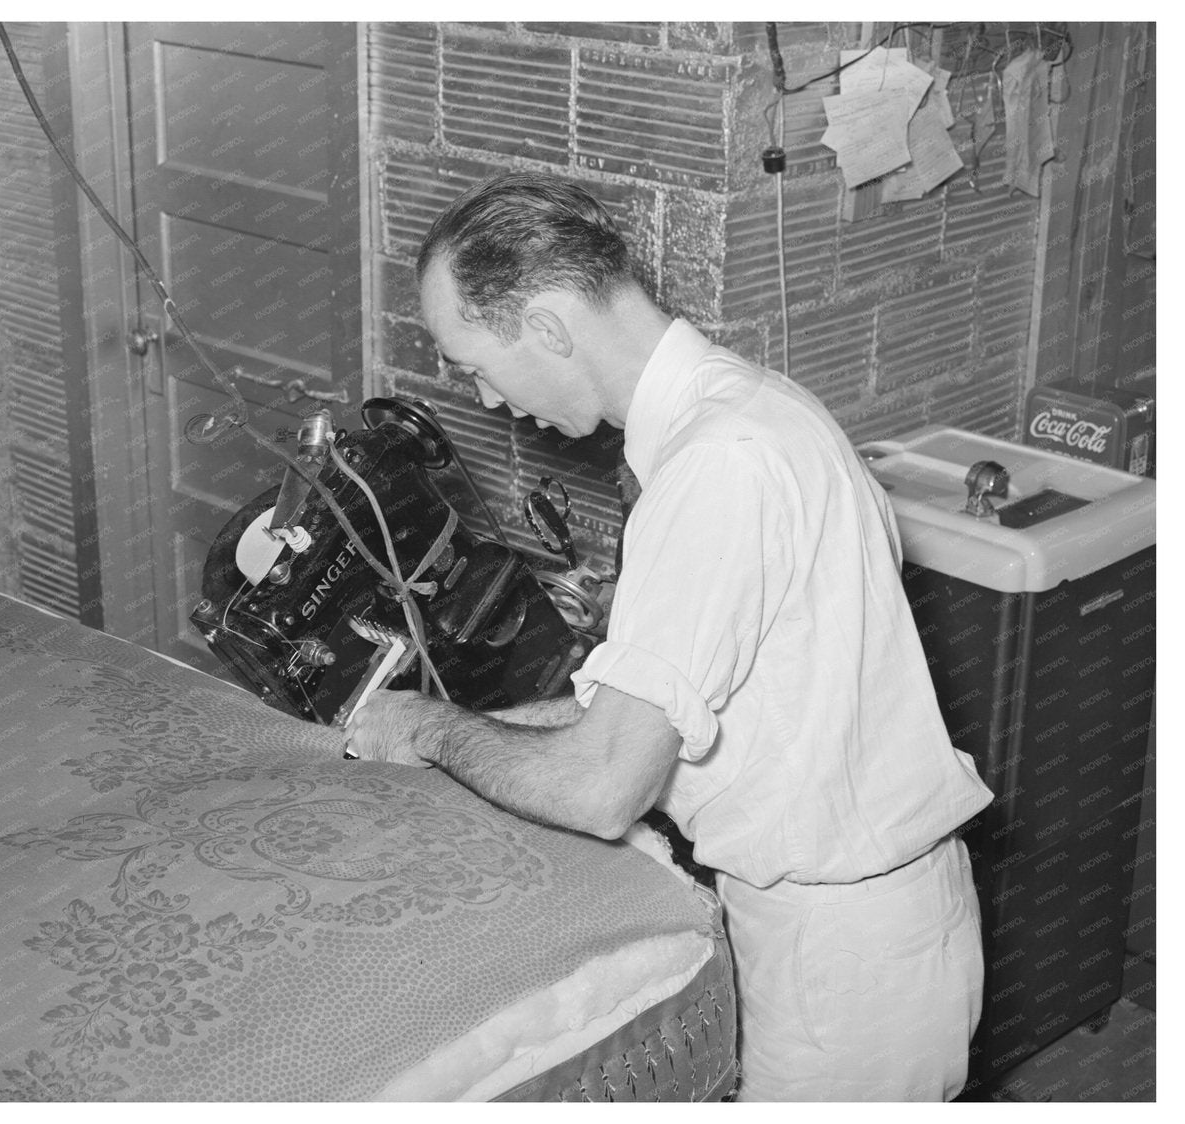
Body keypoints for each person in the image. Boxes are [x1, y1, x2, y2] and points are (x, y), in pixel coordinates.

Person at [343, 171, 994, 1101]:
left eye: (475, 364)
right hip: (863, 925)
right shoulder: (750, 408)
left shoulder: (713, 469)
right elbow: (654, 712)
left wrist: (432, 733)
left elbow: (608, 787)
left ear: (552, 329)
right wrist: (473, 733)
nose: (485, 400)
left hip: (843, 957)